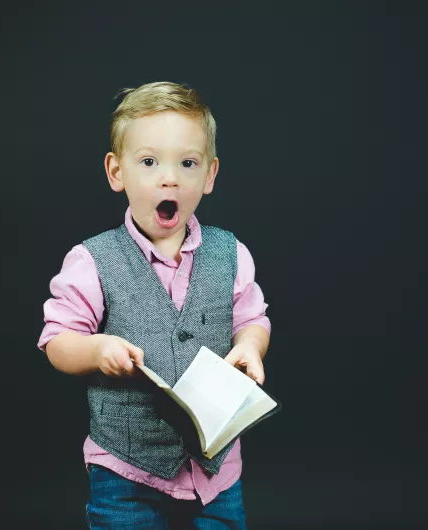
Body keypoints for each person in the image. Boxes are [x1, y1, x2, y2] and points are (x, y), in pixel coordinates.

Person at [37, 81, 271, 529]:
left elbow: (252, 318)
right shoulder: (92, 260)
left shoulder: (231, 253)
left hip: (215, 472)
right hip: (126, 471)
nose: (170, 178)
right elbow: (56, 341)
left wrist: (251, 346)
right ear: (116, 172)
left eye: (188, 163)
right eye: (149, 162)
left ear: (210, 175)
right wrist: (96, 349)